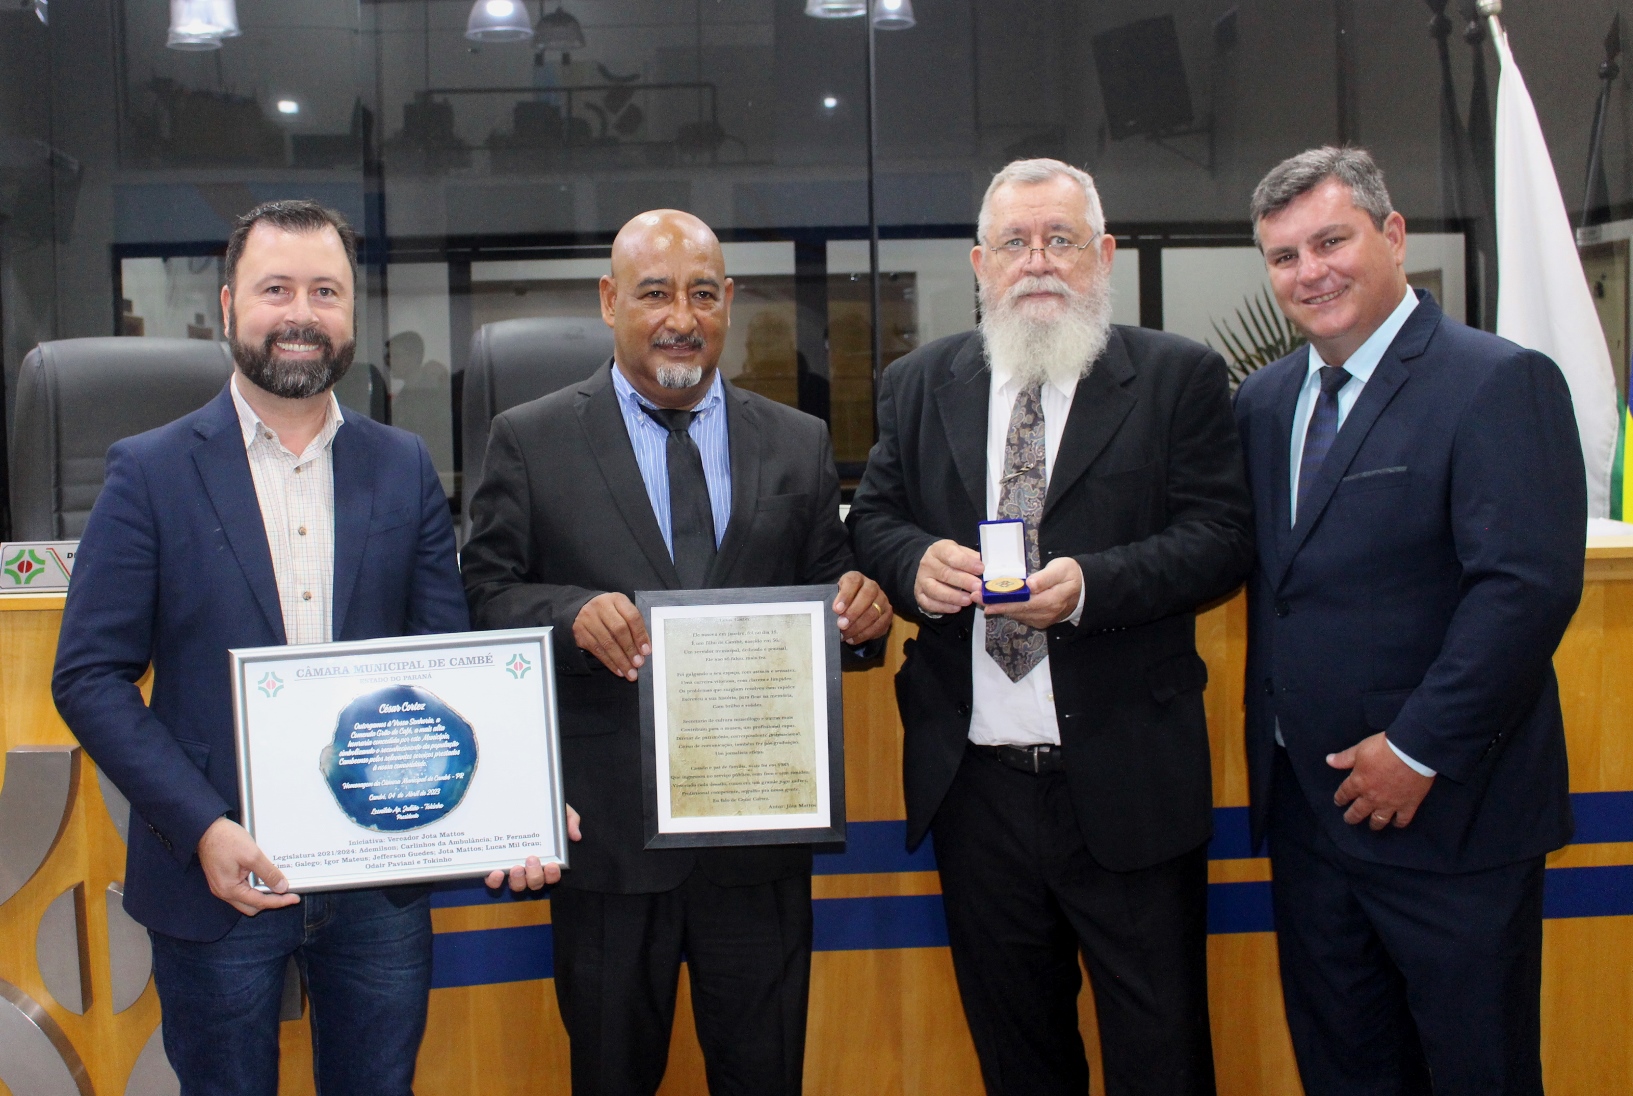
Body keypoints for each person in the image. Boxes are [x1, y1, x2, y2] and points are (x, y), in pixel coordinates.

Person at [51, 200, 481, 1095]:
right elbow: (89, 676)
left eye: (325, 291)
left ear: (352, 314)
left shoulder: (402, 465)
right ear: (226, 305)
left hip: (377, 876)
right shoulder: (150, 470)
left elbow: (448, 661)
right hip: (214, 872)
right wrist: (202, 824)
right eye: (275, 288)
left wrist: (505, 798)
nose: (301, 313)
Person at [461, 208, 894, 1096]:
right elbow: (482, 598)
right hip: (610, 849)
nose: (679, 317)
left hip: (759, 844)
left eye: (702, 293)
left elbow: (831, 595)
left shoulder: (798, 440)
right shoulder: (530, 438)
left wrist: (864, 615)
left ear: (728, 302)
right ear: (610, 300)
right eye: (654, 293)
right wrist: (572, 615)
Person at [847, 158, 1253, 1096]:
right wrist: (913, 565)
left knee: (1161, 1060)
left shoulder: (1174, 377)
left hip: (1127, 783)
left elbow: (1223, 538)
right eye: (1015, 243)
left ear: (1102, 255)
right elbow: (874, 518)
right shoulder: (918, 383)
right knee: (1017, 1058)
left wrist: (1089, 586)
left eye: (1060, 240)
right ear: (979, 264)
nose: (1038, 262)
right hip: (975, 788)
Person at [1235, 147, 1585, 1096]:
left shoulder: (1496, 381)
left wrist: (1418, 749)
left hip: (1450, 818)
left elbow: (1525, 589)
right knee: (1343, 1069)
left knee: (1478, 1072)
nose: (1310, 272)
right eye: (1283, 257)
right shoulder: (1265, 403)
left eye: (1330, 241)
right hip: (1310, 819)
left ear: (1391, 236)